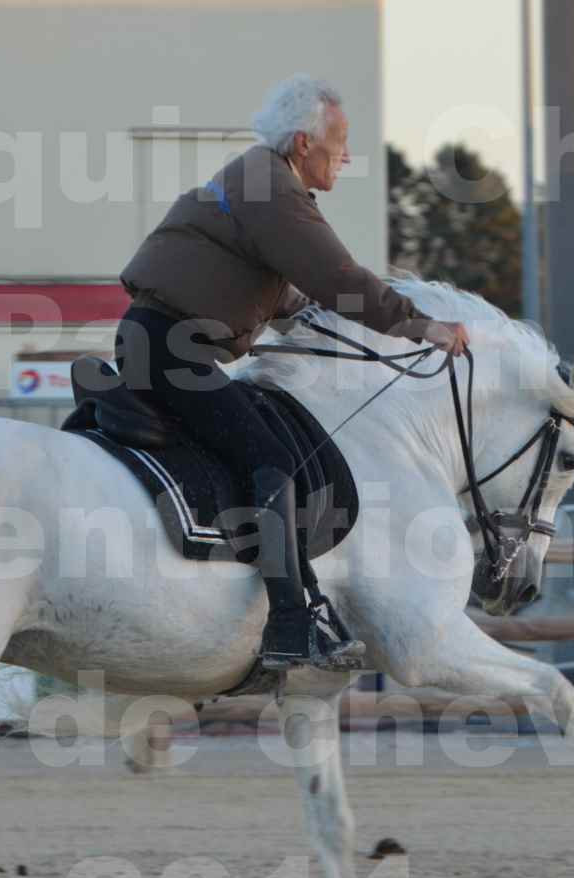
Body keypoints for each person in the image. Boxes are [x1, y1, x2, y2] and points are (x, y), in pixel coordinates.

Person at [116, 75, 469, 670]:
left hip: (161, 342)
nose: (348, 156)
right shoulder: (272, 189)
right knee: (272, 457)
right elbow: (339, 277)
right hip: (170, 350)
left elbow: (285, 295)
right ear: (304, 143)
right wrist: (420, 326)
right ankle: (289, 622)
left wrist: (329, 329)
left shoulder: (258, 181)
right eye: (341, 140)